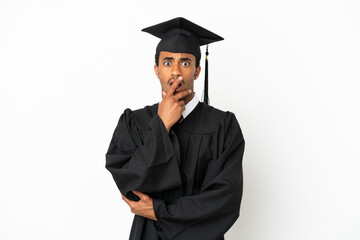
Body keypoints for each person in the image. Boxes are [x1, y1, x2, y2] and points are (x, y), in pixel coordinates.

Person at [105, 17, 245, 240]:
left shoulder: (223, 125)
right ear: (156, 70)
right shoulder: (133, 122)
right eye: (168, 63)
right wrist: (161, 124)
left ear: (197, 71)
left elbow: (225, 199)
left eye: (186, 63)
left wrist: (159, 212)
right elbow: (130, 184)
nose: (176, 72)